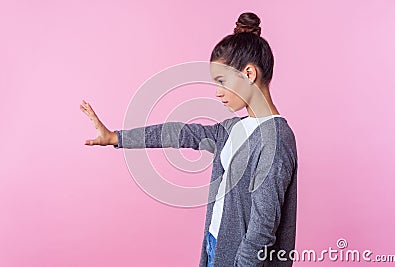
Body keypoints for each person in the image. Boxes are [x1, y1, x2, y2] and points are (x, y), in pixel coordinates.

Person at [80, 12, 297, 267]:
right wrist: (116, 137)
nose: (217, 93)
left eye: (222, 82)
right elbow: (180, 133)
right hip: (215, 245)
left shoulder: (276, 139)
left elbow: (262, 228)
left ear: (249, 74)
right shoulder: (232, 128)